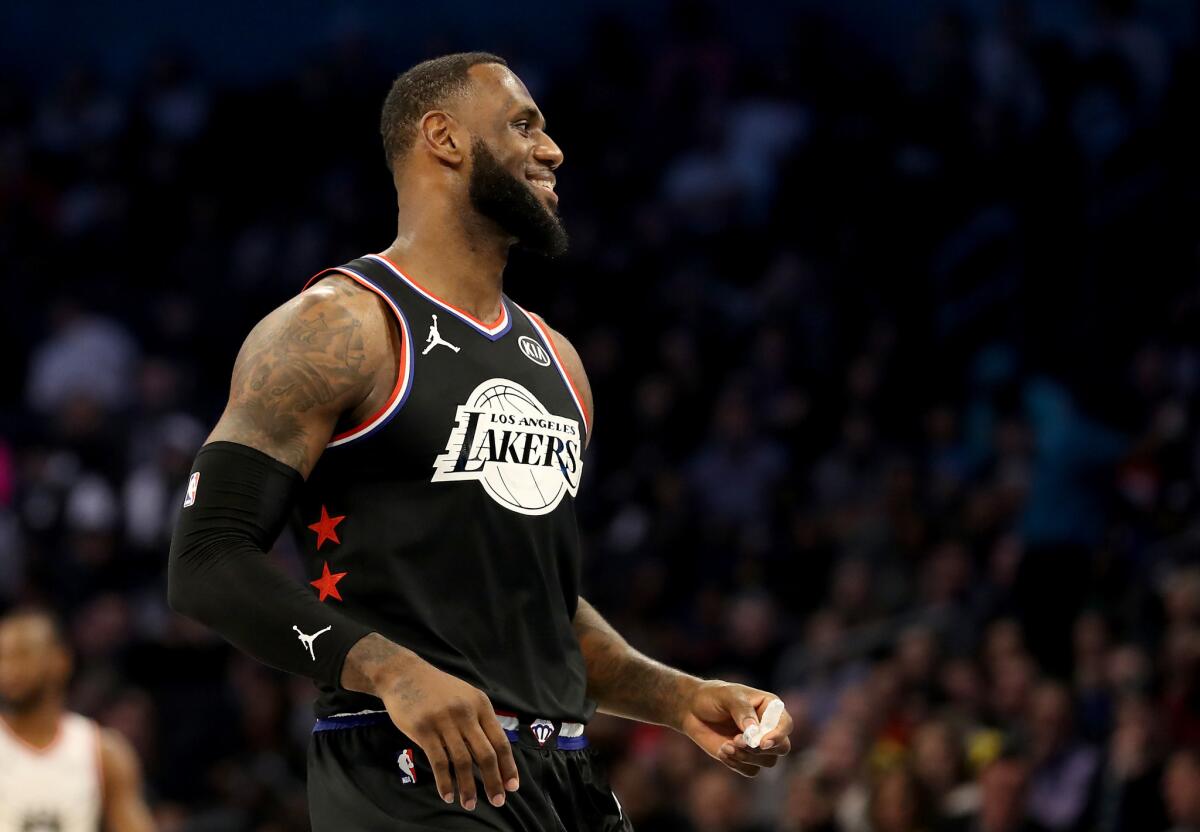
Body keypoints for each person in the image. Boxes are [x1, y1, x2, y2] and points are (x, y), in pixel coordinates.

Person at [167, 51, 794, 831]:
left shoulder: (559, 361)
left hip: (563, 777)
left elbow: (539, 609)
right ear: (444, 138)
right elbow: (205, 560)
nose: (553, 149)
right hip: (410, 769)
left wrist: (676, 696)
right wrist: (389, 669)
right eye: (524, 124)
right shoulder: (339, 326)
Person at [0, 607, 155, 832]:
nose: (8, 668)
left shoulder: (102, 751)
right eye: (2, 656)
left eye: (22, 654)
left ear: (60, 661)